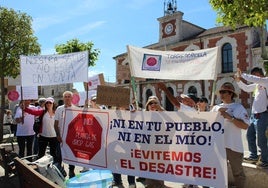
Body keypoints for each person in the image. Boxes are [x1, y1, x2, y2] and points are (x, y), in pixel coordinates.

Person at [211, 82, 249, 188]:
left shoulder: (238, 108)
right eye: (220, 92)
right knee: (219, 172)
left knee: (238, 173)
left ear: (231, 94)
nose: (221, 94)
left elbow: (245, 126)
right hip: (219, 146)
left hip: (234, 146)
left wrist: (229, 117)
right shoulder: (215, 108)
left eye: (224, 92)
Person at [236, 68, 268, 168]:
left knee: (261, 139)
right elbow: (246, 88)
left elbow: (255, 79)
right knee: (249, 136)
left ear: (261, 75)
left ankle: (265, 160)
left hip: (263, 115)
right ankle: (253, 156)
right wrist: (238, 81)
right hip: (254, 115)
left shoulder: (266, 81)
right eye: (253, 75)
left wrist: (243, 75)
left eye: (256, 75)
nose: (254, 77)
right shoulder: (257, 85)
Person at [24, 97, 59, 163]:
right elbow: (33, 112)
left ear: (53, 104)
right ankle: (40, 168)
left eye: (50, 103)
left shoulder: (57, 113)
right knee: (41, 153)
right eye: (47, 103)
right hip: (43, 136)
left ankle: (54, 168)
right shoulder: (43, 112)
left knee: (53, 154)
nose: (48, 104)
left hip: (54, 136)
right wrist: (24, 108)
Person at [54, 91, 78, 178]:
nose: (67, 98)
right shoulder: (59, 109)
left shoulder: (76, 109)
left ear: (72, 98)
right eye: (66, 96)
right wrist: (58, 135)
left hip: (72, 136)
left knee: (71, 155)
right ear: (63, 98)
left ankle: (71, 171)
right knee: (59, 155)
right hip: (60, 137)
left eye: (69, 96)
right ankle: (60, 172)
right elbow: (56, 124)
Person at [143, 96, 166, 188]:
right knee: (148, 168)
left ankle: (160, 185)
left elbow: (169, 119)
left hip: (159, 146)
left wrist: (159, 108)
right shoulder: (142, 114)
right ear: (147, 105)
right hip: (147, 147)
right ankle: (150, 185)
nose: (153, 105)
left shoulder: (162, 113)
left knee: (159, 167)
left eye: (155, 103)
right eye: (150, 103)